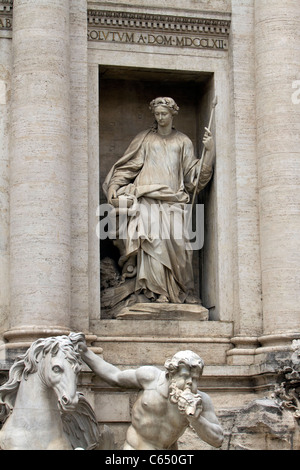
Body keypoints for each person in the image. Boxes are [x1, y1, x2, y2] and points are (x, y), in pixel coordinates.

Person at [103, 97, 215, 305]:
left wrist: (208, 152)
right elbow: (128, 167)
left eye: (164, 113)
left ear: (173, 114)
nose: (160, 117)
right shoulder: (145, 139)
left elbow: (194, 178)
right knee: (152, 243)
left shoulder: (183, 142)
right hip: (147, 198)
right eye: (157, 114)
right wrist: (113, 186)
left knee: (178, 245)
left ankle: (180, 290)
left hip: (173, 200)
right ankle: (155, 292)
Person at [79, 342, 224, 450]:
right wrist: (85, 352)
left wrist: (195, 419)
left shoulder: (201, 400)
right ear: (171, 373)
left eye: (195, 378)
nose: (190, 383)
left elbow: (218, 439)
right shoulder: (150, 378)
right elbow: (115, 376)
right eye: (185, 376)